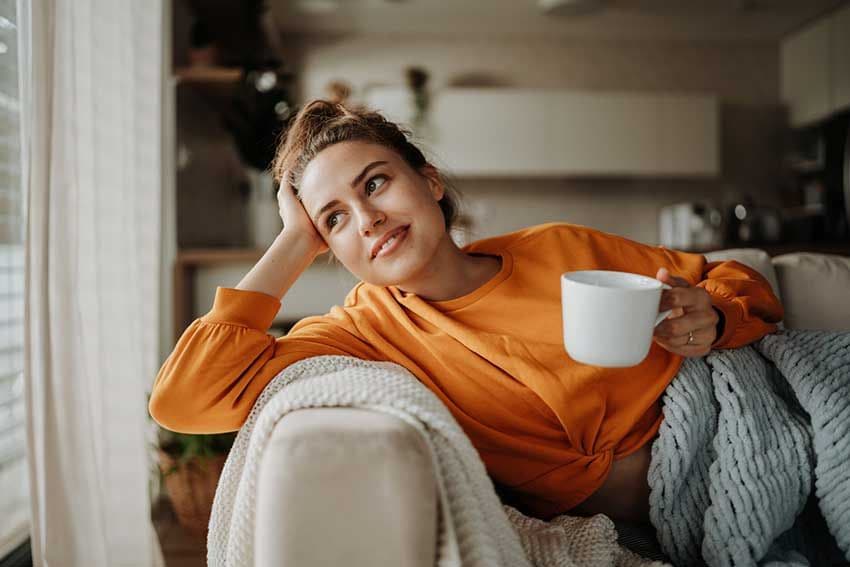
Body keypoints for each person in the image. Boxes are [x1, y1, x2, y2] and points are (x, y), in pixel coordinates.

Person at [149, 100, 784, 525]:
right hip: (655, 519)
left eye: (374, 183)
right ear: (326, 247)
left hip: (738, 430)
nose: (367, 219)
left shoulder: (561, 247)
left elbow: (737, 280)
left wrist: (716, 316)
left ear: (428, 182)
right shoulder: (361, 333)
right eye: (334, 219)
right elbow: (184, 399)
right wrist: (291, 242)